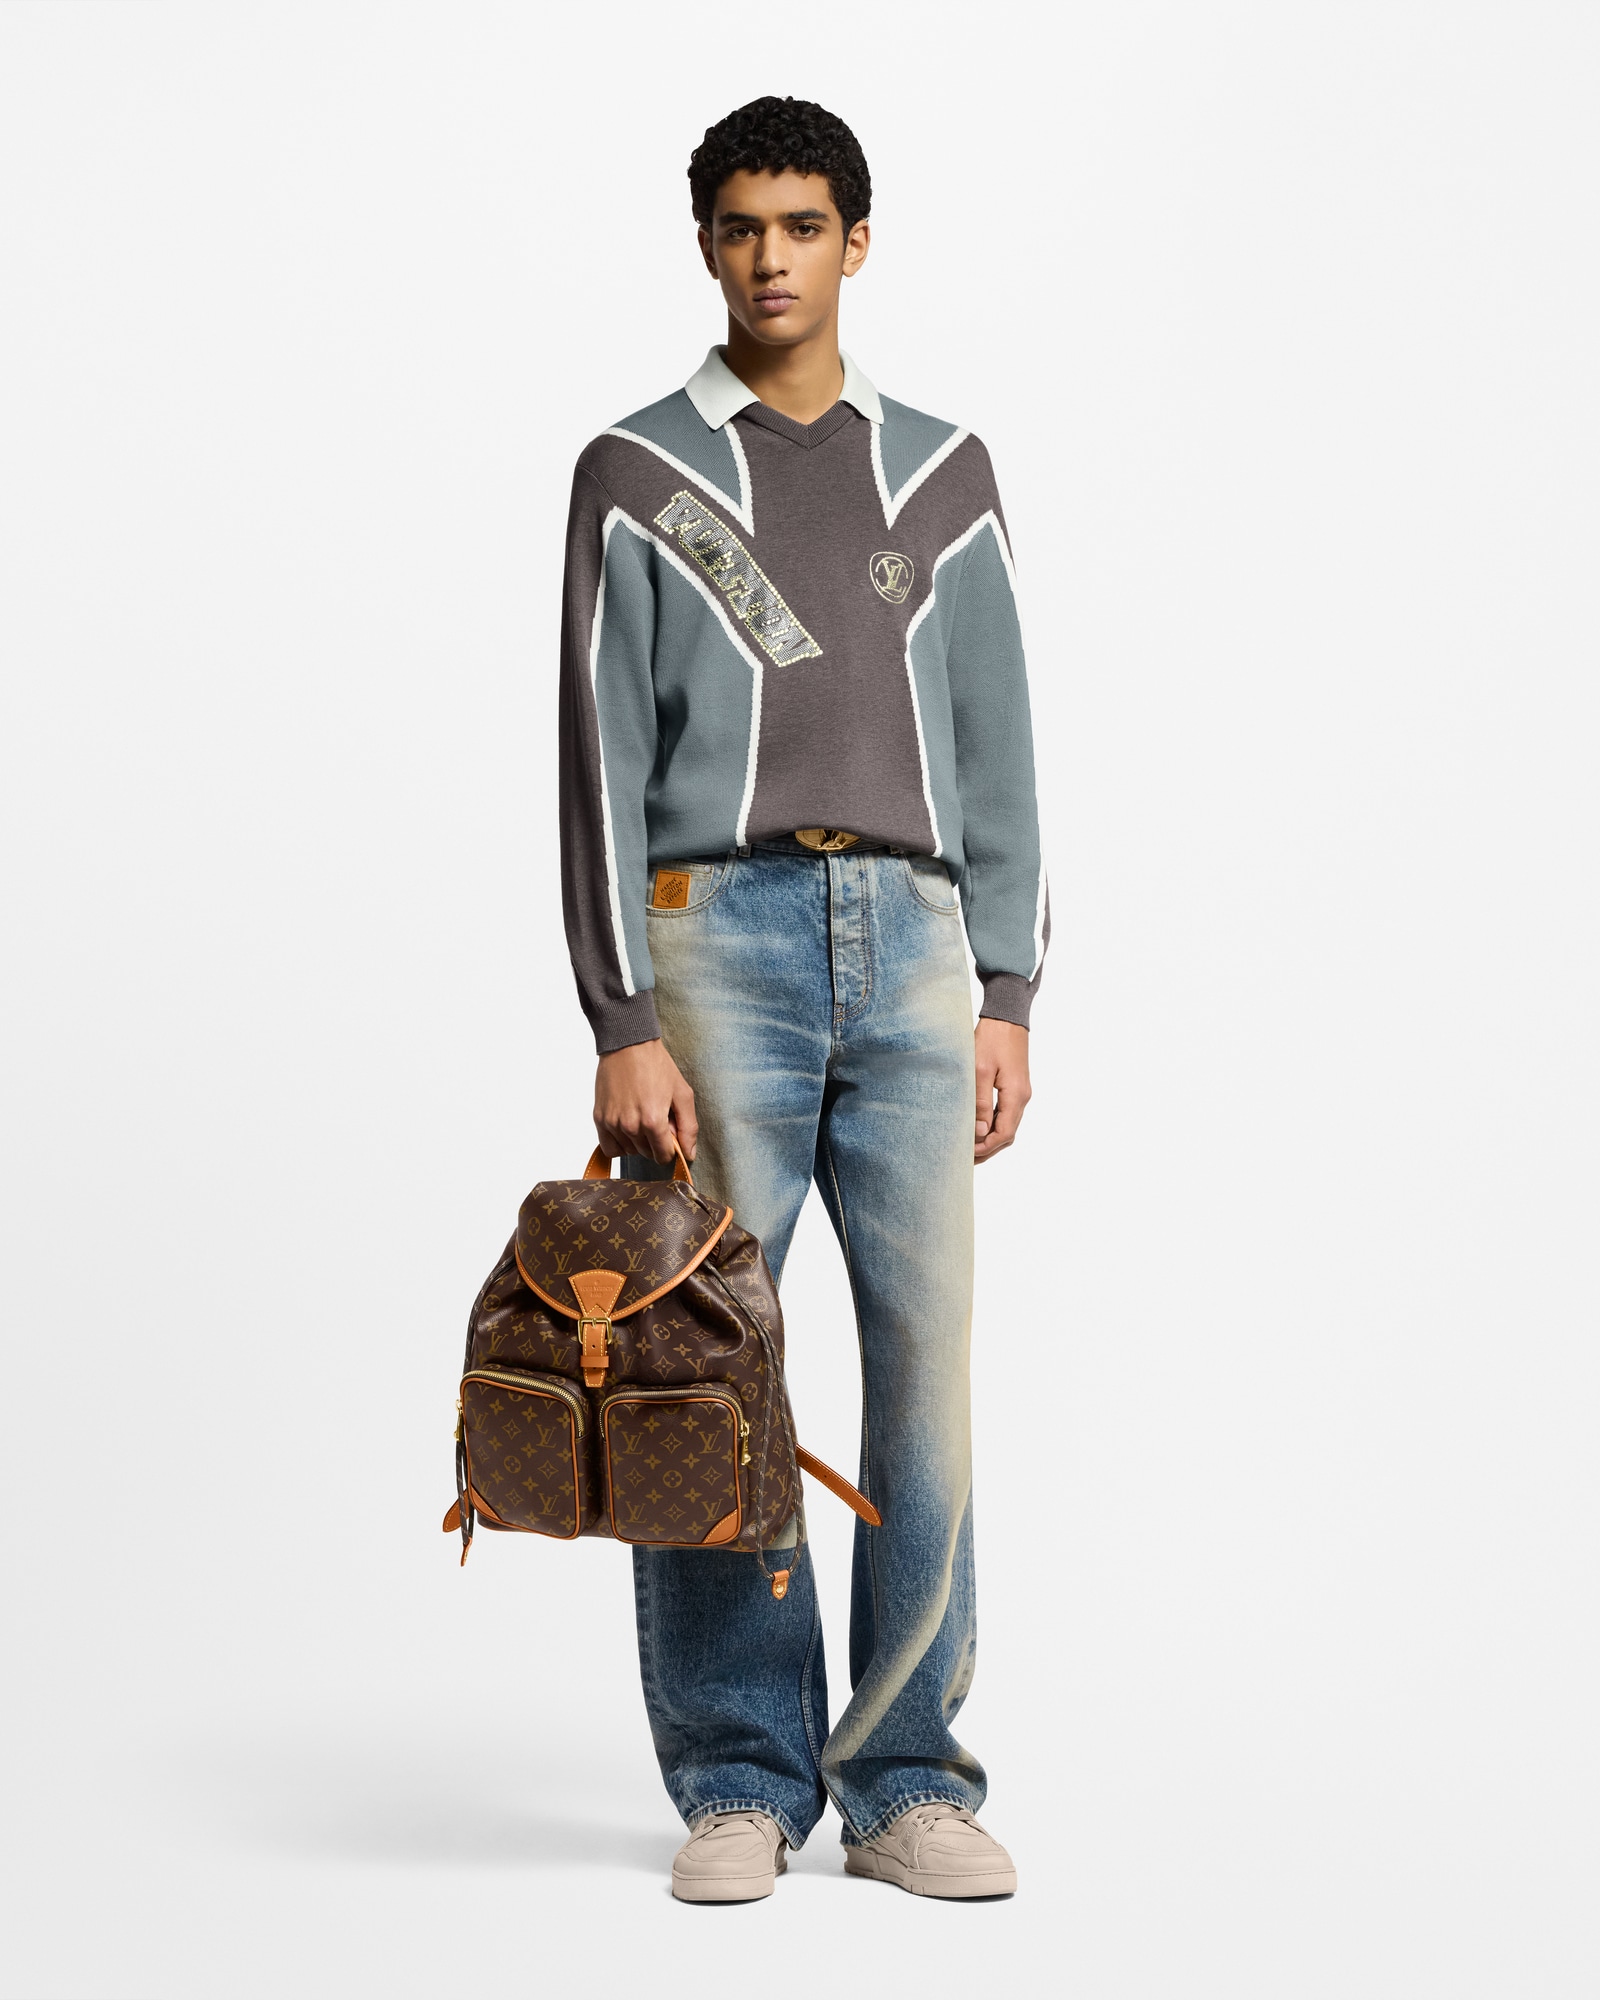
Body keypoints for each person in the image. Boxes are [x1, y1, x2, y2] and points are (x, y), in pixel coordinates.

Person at [557, 95, 1047, 1902]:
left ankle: (908, 1777)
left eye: (805, 224)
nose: (772, 257)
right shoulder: (636, 473)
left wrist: (1008, 984)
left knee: (924, 1367)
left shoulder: (945, 474)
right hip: (715, 938)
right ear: (706, 244)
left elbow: (998, 743)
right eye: (742, 226)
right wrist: (620, 1014)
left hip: (916, 942)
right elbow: (597, 756)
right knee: (710, 1364)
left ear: (858, 240)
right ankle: (740, 1777)